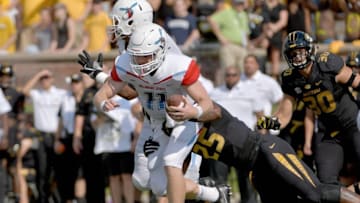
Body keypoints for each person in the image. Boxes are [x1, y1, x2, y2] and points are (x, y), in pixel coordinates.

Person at [90, 22, 231, 203]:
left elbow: (207, 103)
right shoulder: (126, 63)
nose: (140, 62)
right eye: (137, 56)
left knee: (172, 161)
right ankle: (214, 194)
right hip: (156, 124)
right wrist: (102, 104)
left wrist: (193, 112)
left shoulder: (178, 66)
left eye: (146, 56)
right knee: (156, 185)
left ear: (160, 50)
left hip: (183, 120)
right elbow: (103, 94)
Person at [165, 101, 360, 203]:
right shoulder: (180, 141)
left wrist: (193, 113)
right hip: (255, 170)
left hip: (267, 150)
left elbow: (214, 110)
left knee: (316, 194)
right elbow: (178, 174)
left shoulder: (204, 110)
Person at [257, 31, 360, 187]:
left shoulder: (326, 64)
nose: (297, 56)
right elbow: (285, 115)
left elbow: (357, 82)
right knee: (325, 185)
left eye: (301, 51)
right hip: (328, 133)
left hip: (353, 124)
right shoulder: (290, 79)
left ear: (310, 49)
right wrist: (271, 122)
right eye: (293, 53)